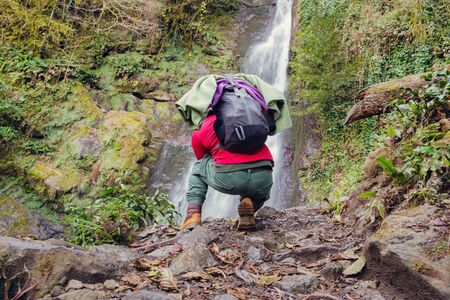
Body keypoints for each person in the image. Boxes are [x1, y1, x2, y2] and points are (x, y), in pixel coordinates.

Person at [176, 74, 291, 231]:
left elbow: (201, 158)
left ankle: (193, 215)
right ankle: (249, 204)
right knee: (259, 189)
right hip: (263, 177)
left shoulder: (207, 124)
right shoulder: (257, 117)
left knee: (198, 168)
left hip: (228, 178)